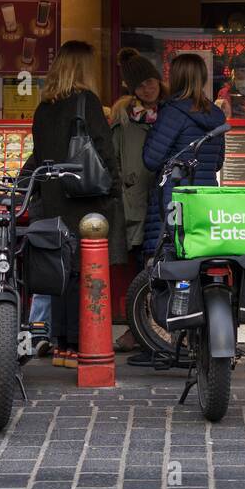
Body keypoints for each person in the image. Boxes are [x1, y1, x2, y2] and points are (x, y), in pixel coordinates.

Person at [20, 40, 115, 369]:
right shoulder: (86, 102)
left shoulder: (43, 108)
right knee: (79, 275)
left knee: (58, 272)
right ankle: (76, 346)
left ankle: (61, 347)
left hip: (51, 200)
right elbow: (104, 149)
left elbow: (38, 153)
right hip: (83, 199)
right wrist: (113, 187)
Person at [106, 47, 167, 354]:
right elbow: (114, 159)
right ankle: (138, 327)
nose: (148, 87)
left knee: (163, 263)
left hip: (165, 198)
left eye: (151, 80)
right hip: (135, 202)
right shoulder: (123, 119)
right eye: (141, 83)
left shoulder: (172, 111)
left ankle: (158, 328)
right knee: (141, 269)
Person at [141, 53, 227, 259]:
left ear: (175, 78)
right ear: (203, 78)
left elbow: (151, 160)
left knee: (169, 262)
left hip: (172, 200)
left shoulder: (172, 113)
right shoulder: (216, 115)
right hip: (206, 199)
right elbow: (217, 163)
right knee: (200, 259)